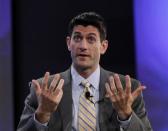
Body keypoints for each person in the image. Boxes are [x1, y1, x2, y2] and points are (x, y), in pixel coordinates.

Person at [17, 12, 152, 131]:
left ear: (103, 47)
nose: (83, 46)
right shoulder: (43, 90)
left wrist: (126, 114)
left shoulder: (127, 90)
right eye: (77, 38)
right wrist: (42, 114)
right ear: (69, 43)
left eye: (91, 39)